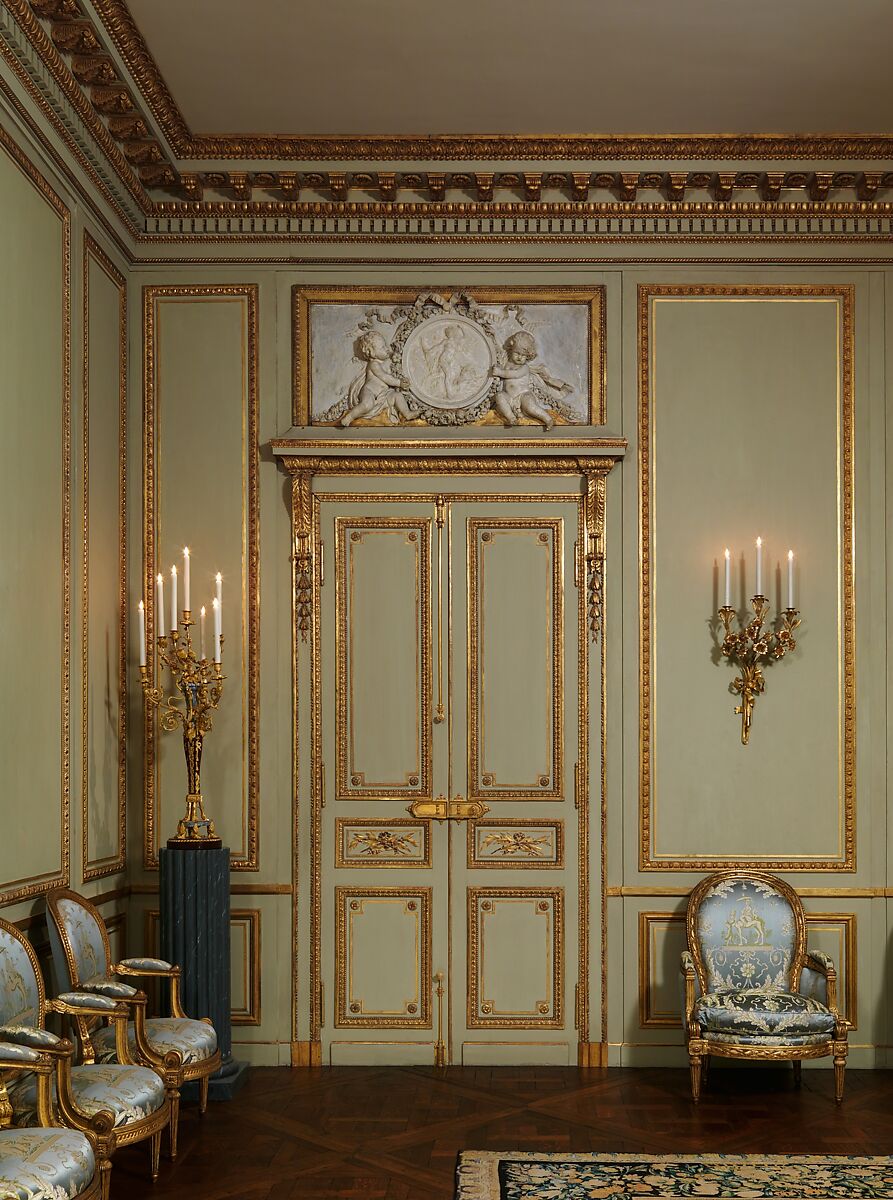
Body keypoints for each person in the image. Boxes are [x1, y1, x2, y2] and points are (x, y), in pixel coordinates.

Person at [491, 330, 573, 430]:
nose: (520, 357)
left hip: (523, 396)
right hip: (509, 398)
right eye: (517, 353)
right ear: (511, 349)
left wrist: (500, 373)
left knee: (530, 407)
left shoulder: (524, 368)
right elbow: (500, 348)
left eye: (523, 355)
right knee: (499, 396)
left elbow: (515, 375)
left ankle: (547, 419)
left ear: (528, 356)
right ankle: (511, 418)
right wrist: (494, 335)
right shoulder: (506, 363)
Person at [340, 331, 413, 426]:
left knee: (398, 396)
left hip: (383, 395)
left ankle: (407, 413)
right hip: (370, 391)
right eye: (383, 347)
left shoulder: (383, 364)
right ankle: (350, 417)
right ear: (372, 353)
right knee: (367, 404)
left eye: (386, 346)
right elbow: (384, 377)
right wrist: (399, 383)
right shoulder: (374, 364)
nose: (387, 349)